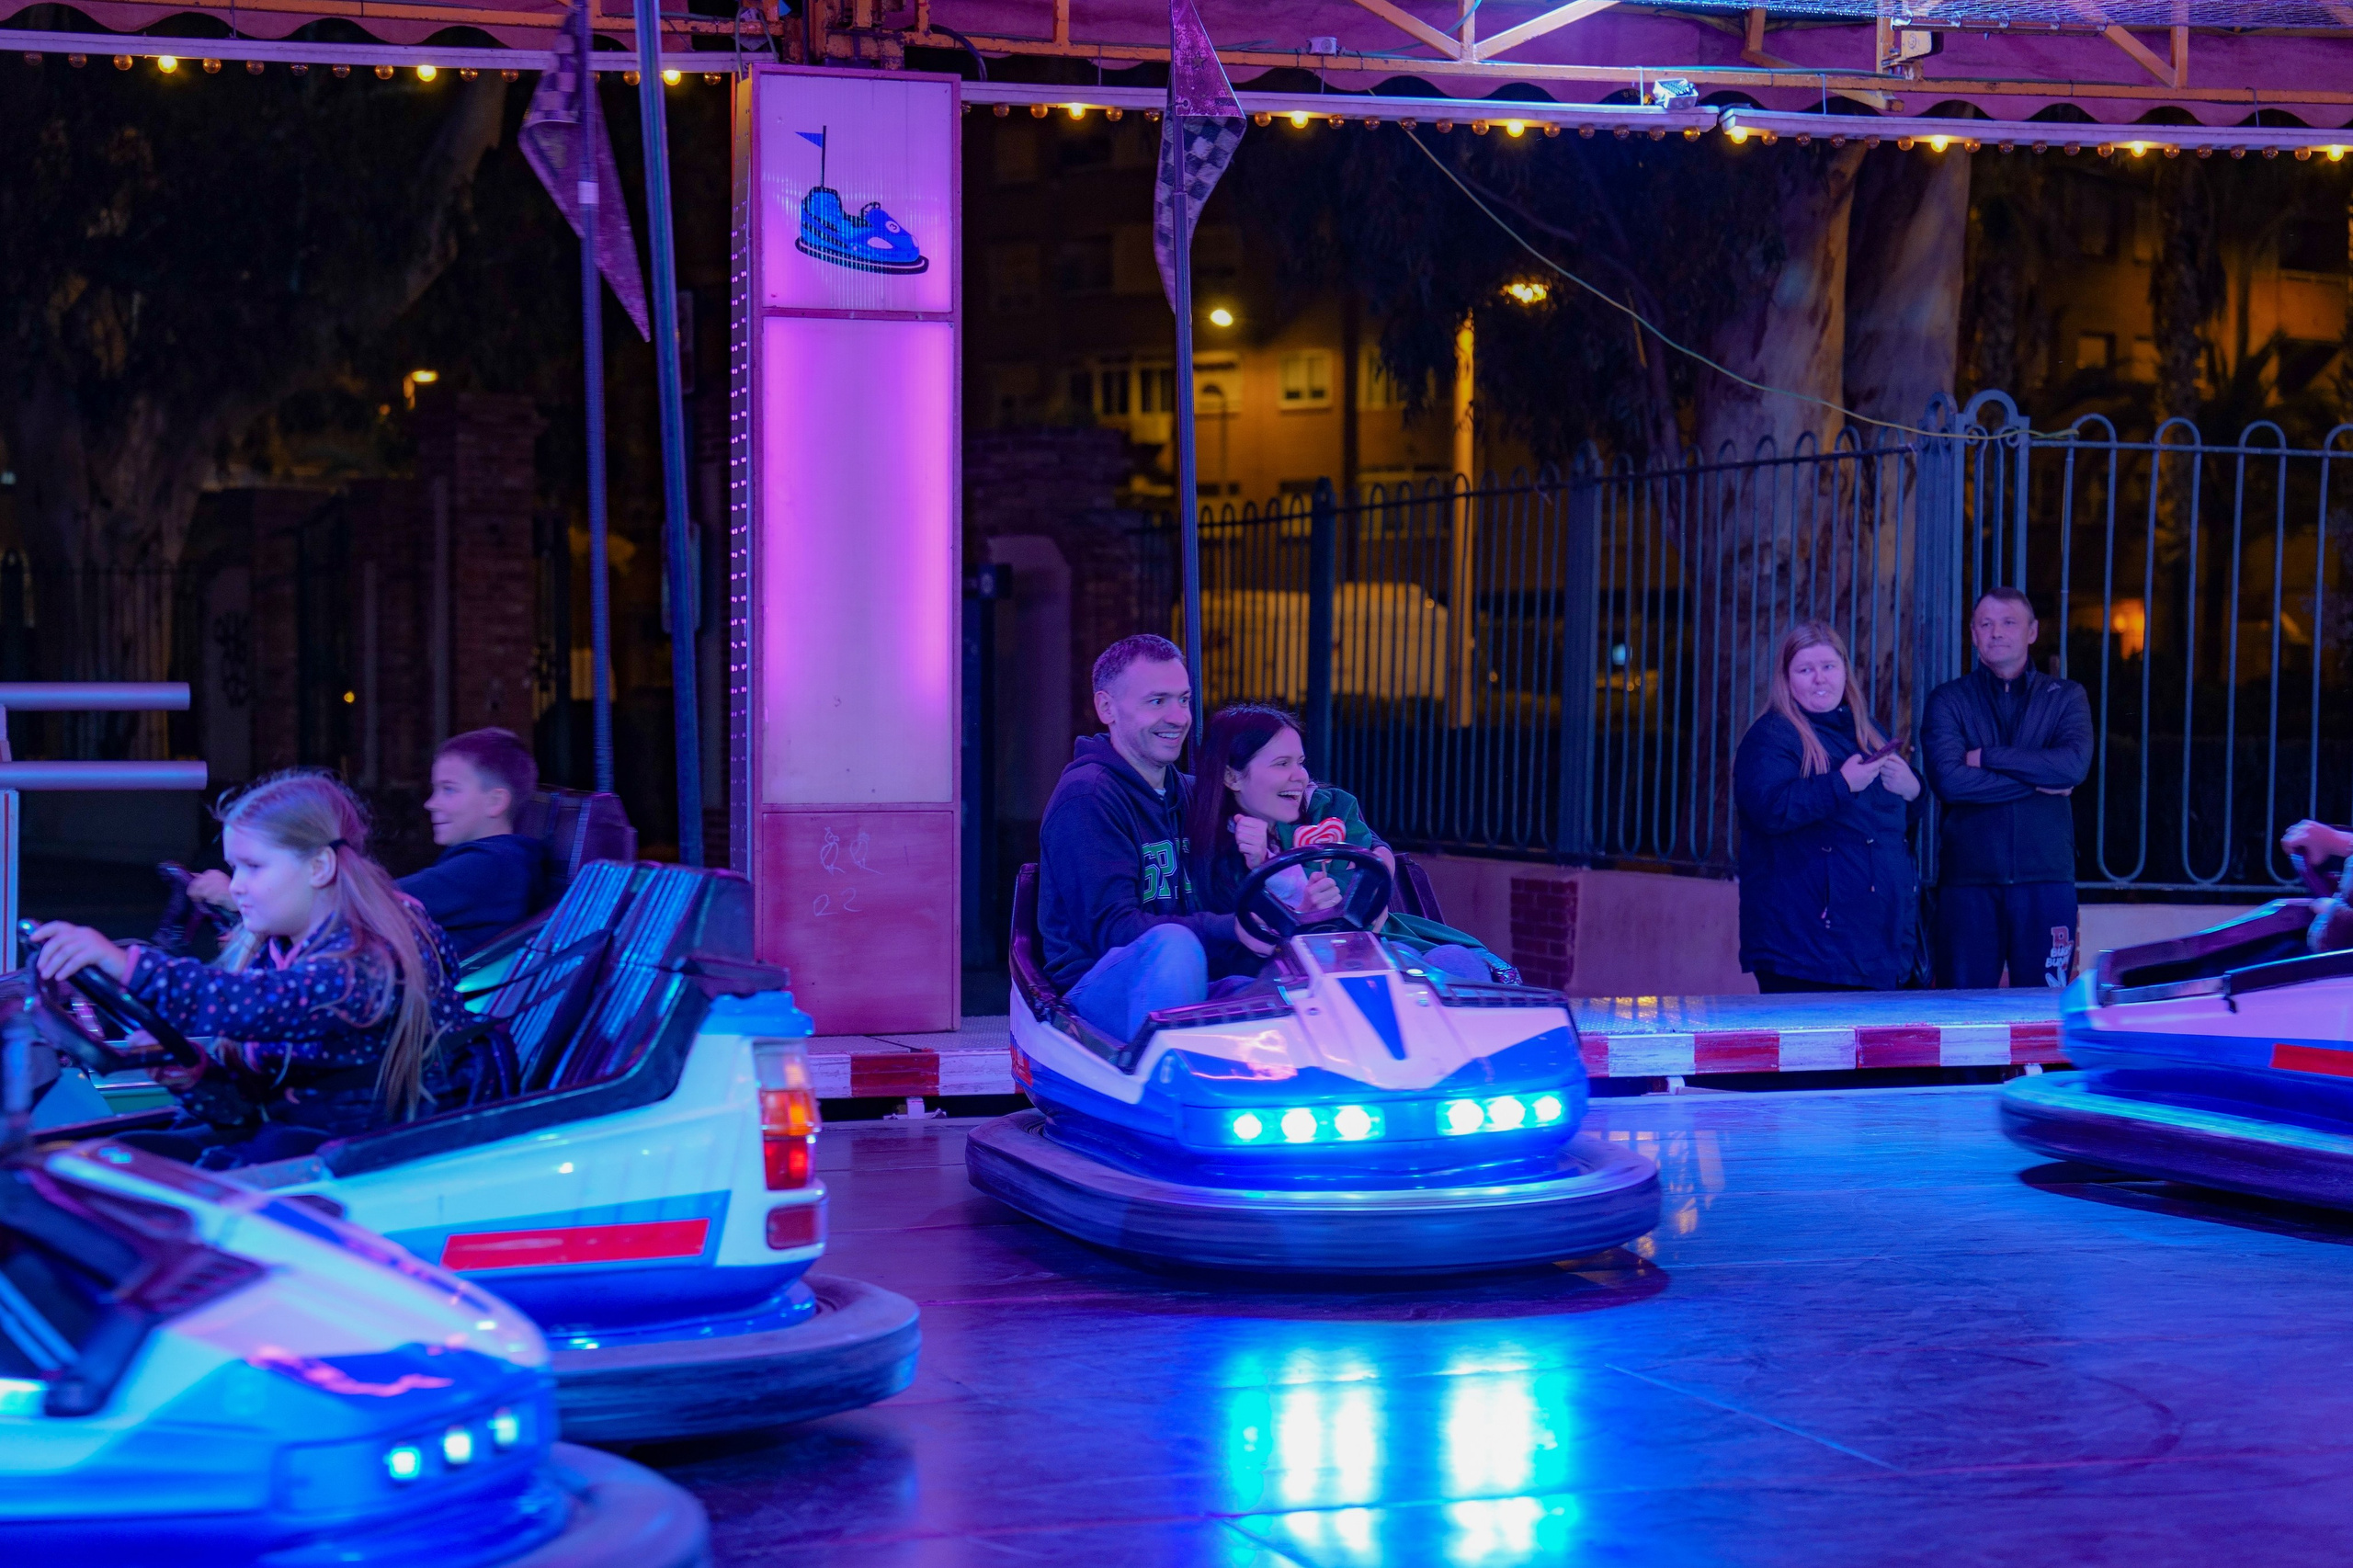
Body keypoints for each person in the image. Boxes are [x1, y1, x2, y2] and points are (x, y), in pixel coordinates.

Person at [30, 770, 471, 1166]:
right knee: (91, 1160)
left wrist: (124, 964)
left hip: (346, 1156)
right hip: (287, 1137)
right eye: (234, 867)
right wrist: (197, 1076)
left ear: (319, 866)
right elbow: (246, 1107)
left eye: (253, 867)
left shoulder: (369, 960)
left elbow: (259, 1003)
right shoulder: (275, 945)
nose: (236, 886)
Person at [1036, 635, 1264, 1041]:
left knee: (1290, 991)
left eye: (1184, 699)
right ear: (1107, 708)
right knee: (1173, 947)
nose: (1178, 717)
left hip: (1195, 985)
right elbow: (1113, 930)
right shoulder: (1087, 798)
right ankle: (1172, 1090)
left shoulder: (1194, 794)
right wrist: (1231, 927)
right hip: (1092, 1000)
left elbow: (1283, 801)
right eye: (1157, 701)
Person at [1188, 703, 1503, 982]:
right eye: (1281, 763)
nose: (1299, 775)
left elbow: (1359, 894)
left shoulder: (1332, 809)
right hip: (1281, 979)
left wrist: (1346, 899)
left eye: (1300, 762)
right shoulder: (1215, 848)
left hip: (1374, 948)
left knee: (1458, 961)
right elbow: (1237, 951)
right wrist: (1295, 907)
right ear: (1232, 778)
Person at [187, 729, 548, 957]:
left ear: (495, 801)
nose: (430, 803)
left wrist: (234, 898)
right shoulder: (490, 864)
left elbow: (368, 903)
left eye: (448, 790)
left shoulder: (492, 867)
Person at [1733, 620, 1925, 993]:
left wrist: (1913, 792)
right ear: (1787, 679)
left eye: (1828, 667)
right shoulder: (1772, 736)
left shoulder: (1866, 729)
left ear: (1845, 672)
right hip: (1805, 949)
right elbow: (1769, 809)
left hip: (1873, 947)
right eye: (1805, 670)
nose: (1819, 679)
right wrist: (1841, 784)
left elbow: (1881, 823)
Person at [1920, 587, 2094, 989]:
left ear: (2032, 632)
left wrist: (1986, 757)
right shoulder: (1948, 700)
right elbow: (1949, 781)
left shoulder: (2065, 697)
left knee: (2042, 1014)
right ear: (1973, 634)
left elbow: (2072, 766)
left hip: (2047, 881)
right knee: (1961, 1014)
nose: (1996, 632)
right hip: (1968, 884)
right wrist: (2039, 782)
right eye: (1986, 624)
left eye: (2008, 622)